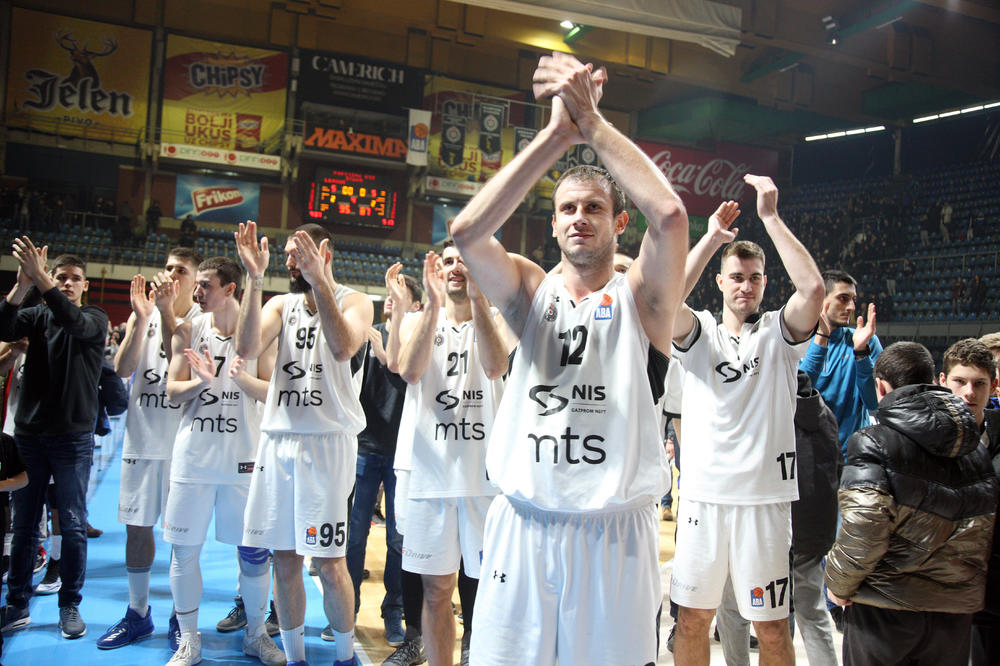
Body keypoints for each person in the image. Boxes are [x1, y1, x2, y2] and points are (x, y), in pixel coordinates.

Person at [449, 51, 688, 664]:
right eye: (567, 209)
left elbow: (671, 214)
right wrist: (558, 134)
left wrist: (592, 123)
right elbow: (469, 234)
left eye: (594, 208)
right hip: (524, 523)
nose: (579, 218)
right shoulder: (531, 290)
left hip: (615, 534)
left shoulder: (644, 300)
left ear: (619, 221)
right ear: (552, 226)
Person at [670, 178, 825, 666]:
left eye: (755, 277)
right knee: (692, 622)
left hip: (764, 503)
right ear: (720, 281)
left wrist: (772, 219)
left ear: (764, 283)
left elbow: (815, 288)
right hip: (703, 500)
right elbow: (667, 297)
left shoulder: (779, 335)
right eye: (736, 276)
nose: (746, 285)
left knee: (774, 631)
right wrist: (713, 236)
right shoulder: (701, 335)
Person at [235, 222, 373, 666]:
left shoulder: (356, 301)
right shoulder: (281, 303)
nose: (291, 261)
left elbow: (342, 347)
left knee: (330, 563)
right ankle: (295, 658)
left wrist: (319, 283)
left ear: (325, 251)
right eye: (289, 254)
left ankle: (344, 657)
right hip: (279, 441)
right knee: (284, 559)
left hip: (327, 444)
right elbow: (246, 346)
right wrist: (254, 280)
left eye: (300, 252)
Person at [825, 341, 998, 666]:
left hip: (885, 611)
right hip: (954, 615)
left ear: (880, 386)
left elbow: (865, 526)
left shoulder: (872, 441)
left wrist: (837, 584)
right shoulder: (975, 450)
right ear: (935, 380)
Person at [385, 245, 510, 666]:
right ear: (438, 269)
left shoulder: (501, 319)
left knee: (490, 588)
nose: (458, 268)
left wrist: (478, 298)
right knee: (436, 591)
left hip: (486, 481)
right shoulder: (418, 320)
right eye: (451, 261)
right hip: (428, 476)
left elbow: (496, 367)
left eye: (467, 261)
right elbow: (410, 371)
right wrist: (434, 306)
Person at [163, 257, 282, 666]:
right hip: (193, 460)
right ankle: (189, 640)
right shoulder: (189, 330)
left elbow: (272, 392)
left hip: (243, 461)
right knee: (185, 553)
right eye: (196, 285)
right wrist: (202, 380)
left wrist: (239, 378)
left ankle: (255, 635)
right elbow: (171, 392)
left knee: (252, 556)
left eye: (205, 286)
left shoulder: (258, 337)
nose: (196, 294)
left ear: (230, 289)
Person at [0, 243, 109, 640]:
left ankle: (69, 605)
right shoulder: (36, 314)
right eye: (60, 277)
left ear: (85, 286)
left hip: (71, 439)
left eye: (73, 279)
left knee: (74, 524)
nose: (66, 283)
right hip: (29, 436)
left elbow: (73, 322)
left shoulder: (94, 318)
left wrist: (42, 281)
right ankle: (17, 604)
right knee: (25, 525)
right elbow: (3, 327)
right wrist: (20, 285)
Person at [98, 248, 202, 651]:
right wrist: (142, 319)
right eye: (169, 268)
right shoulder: (142, 316)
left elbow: (191, 370)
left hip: (182, 446)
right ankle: (138, 613)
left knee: (183, 536)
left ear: (195, 281)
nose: (172, 275)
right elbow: (123, 369)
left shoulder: (201, 320)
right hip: (141, 441)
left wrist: (163, 312)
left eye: (182, 271)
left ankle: (181, 615)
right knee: (137, 529)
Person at [715, 371, 840, 666]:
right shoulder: (824, 414)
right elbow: (834, 472)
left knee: (734, 609)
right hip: (812, 534)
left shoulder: (761, 410)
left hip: (765, 531)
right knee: (812, 612)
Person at [345, 271, 422, 656]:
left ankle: (394, 610)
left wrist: (386, 352)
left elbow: (403, 372)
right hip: (363, 445)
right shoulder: (366, 332)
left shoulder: (420, 338)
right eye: (388, 292)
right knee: (355, 535)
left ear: (416, 304)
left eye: (401, 291)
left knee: (397, 538)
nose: (391, 297)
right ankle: (347, 609)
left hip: (403, 452)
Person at [937, 339, 1000, 665]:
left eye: (979, 384)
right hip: (937, 594)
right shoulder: (922, 445)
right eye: (960, 382)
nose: (969, 393)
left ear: (994, 386)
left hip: (992, 596)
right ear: (942, 381)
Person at [799, 270, 881, 455]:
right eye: (843, 298)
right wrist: (821, 339)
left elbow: (874, 403)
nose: (852, 306)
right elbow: (797, 397)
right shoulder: (796, 342)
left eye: (853, 299)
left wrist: (861, 353)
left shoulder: (865, 341)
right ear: (820, 299)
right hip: (811, 455)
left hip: (854, 456)